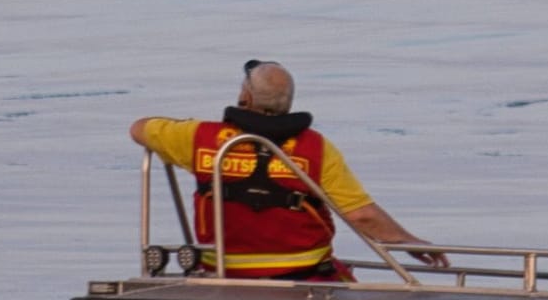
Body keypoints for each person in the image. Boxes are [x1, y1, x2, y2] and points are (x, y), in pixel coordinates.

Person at [129, 59, 448, 279]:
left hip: (224, 277)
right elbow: (362, 216)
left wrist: (182, 127)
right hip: (304, 279)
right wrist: (409, 242)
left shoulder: (199, 138)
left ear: (244, 96)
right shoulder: (316, 148)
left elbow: (139, 128)